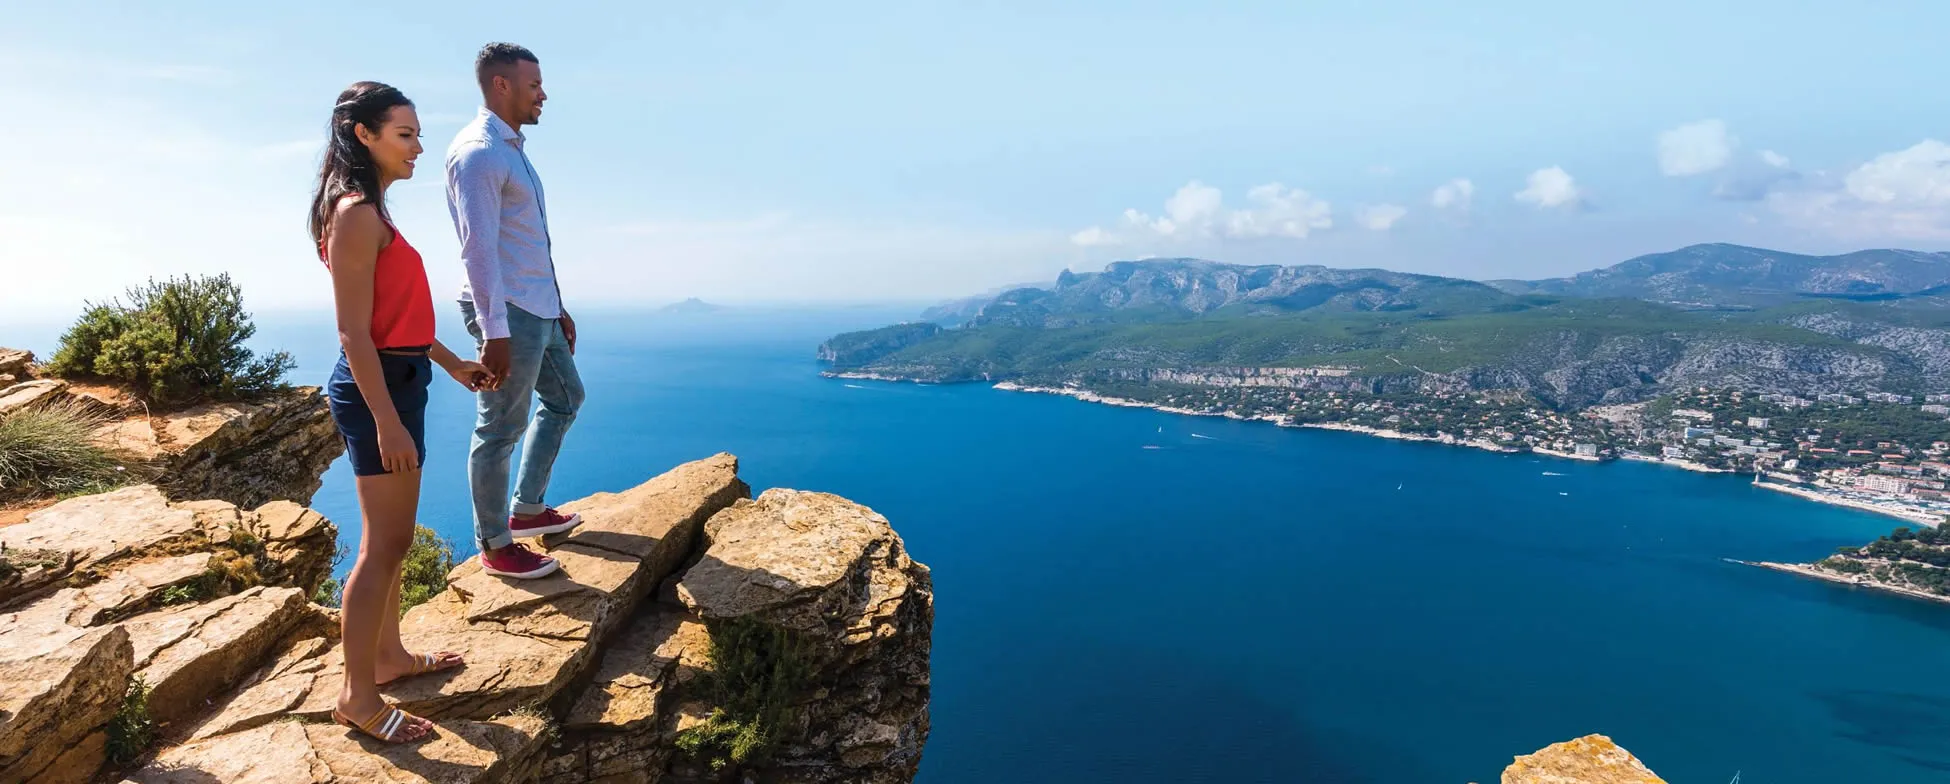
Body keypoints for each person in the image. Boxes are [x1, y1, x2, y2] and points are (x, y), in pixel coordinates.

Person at [310, 81, 490, 743]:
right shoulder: (356, 213)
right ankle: (358, 697)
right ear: (365, 134)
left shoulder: (372, 210)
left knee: (394, 540)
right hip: (376, 389)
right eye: (405, 135)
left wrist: (449, 363)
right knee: (381, 547)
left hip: (400, 378)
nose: (418, 147)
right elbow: (354, 334)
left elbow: (398, 320)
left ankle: (388, 657)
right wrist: (384, 419)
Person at [445, 42, 585, 580]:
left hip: (536, 306)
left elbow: (523, 244)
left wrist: (557, 307)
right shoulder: (478, 152)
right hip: (505, 310)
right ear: (501, 85)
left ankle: (527, 510)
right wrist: (493, 332)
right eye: (534, 84)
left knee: (567, 397)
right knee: (500, 429)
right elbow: (477, 249)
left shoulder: (511, 150)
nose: (543, 94)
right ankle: (496, 544)